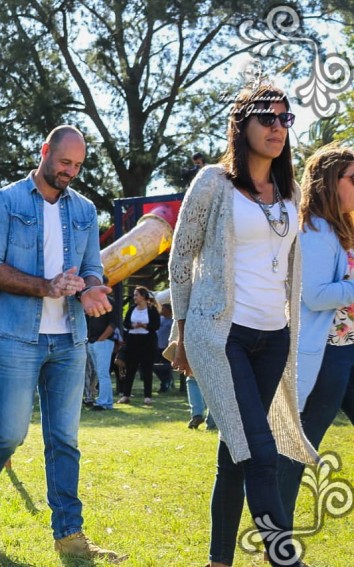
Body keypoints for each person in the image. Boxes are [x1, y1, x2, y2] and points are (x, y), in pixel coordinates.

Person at [0, 126, 121, 560]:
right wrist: (45, 286)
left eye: (78, 166)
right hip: (15, 337)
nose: (70, 172)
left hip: (69, 338)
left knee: (64, 439)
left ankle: (69, 535)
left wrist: (92, 288)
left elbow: (91, 266)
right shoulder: (5, 202)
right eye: (64, 163)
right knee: (9, 433)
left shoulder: (83, 209)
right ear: (45, 152)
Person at [168, 83, 317, 567]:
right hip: (221, 335)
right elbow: (182, 254)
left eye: (285, 119)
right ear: (242, 125)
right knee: (260, 452)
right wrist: (182, 329)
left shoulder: (291, 192)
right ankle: (285, 559)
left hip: (274, 338)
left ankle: (218, 560)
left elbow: (289, 263)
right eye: (266, 119)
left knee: (235, 454)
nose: (278, 128)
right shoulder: (214, 182)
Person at [278, 145, 354, 538]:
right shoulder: (316, 230)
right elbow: (316, 295)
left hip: (346, 347)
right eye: (353, 178)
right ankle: (279, 539)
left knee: (298, 443)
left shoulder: (341, 226)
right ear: (329, 182)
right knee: (298, 444)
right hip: (327, 353)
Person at [117, 286, 160, 405]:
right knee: (130, 369)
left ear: (143, 296)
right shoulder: (132, 309)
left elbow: (156, 325)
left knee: (147, 369)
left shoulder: (152, 310)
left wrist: (144, 326)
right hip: (133, 341)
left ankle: (147, 396)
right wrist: (133, 325)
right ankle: (126, 395)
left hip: (147, 342)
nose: (134, 297)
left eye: (136, 295)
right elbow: (125, 323)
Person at [86, 292, 119, 411]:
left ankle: (103, 402)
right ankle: (107, 402)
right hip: (93, 341)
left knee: (103, 373)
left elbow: (112, 323)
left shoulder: (109, 301)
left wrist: (101, 339)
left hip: (103, 342)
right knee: (100, 373)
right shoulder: (91, 301)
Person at [154, 302, 174, 392]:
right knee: (154, 365)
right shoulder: (159, 319)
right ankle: (165, 381)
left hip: (166, 346)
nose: (161, 311)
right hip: (157, 346)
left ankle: (165, 384)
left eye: (163, 309)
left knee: (166, 367)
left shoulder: (172, 321)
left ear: (168, 311)